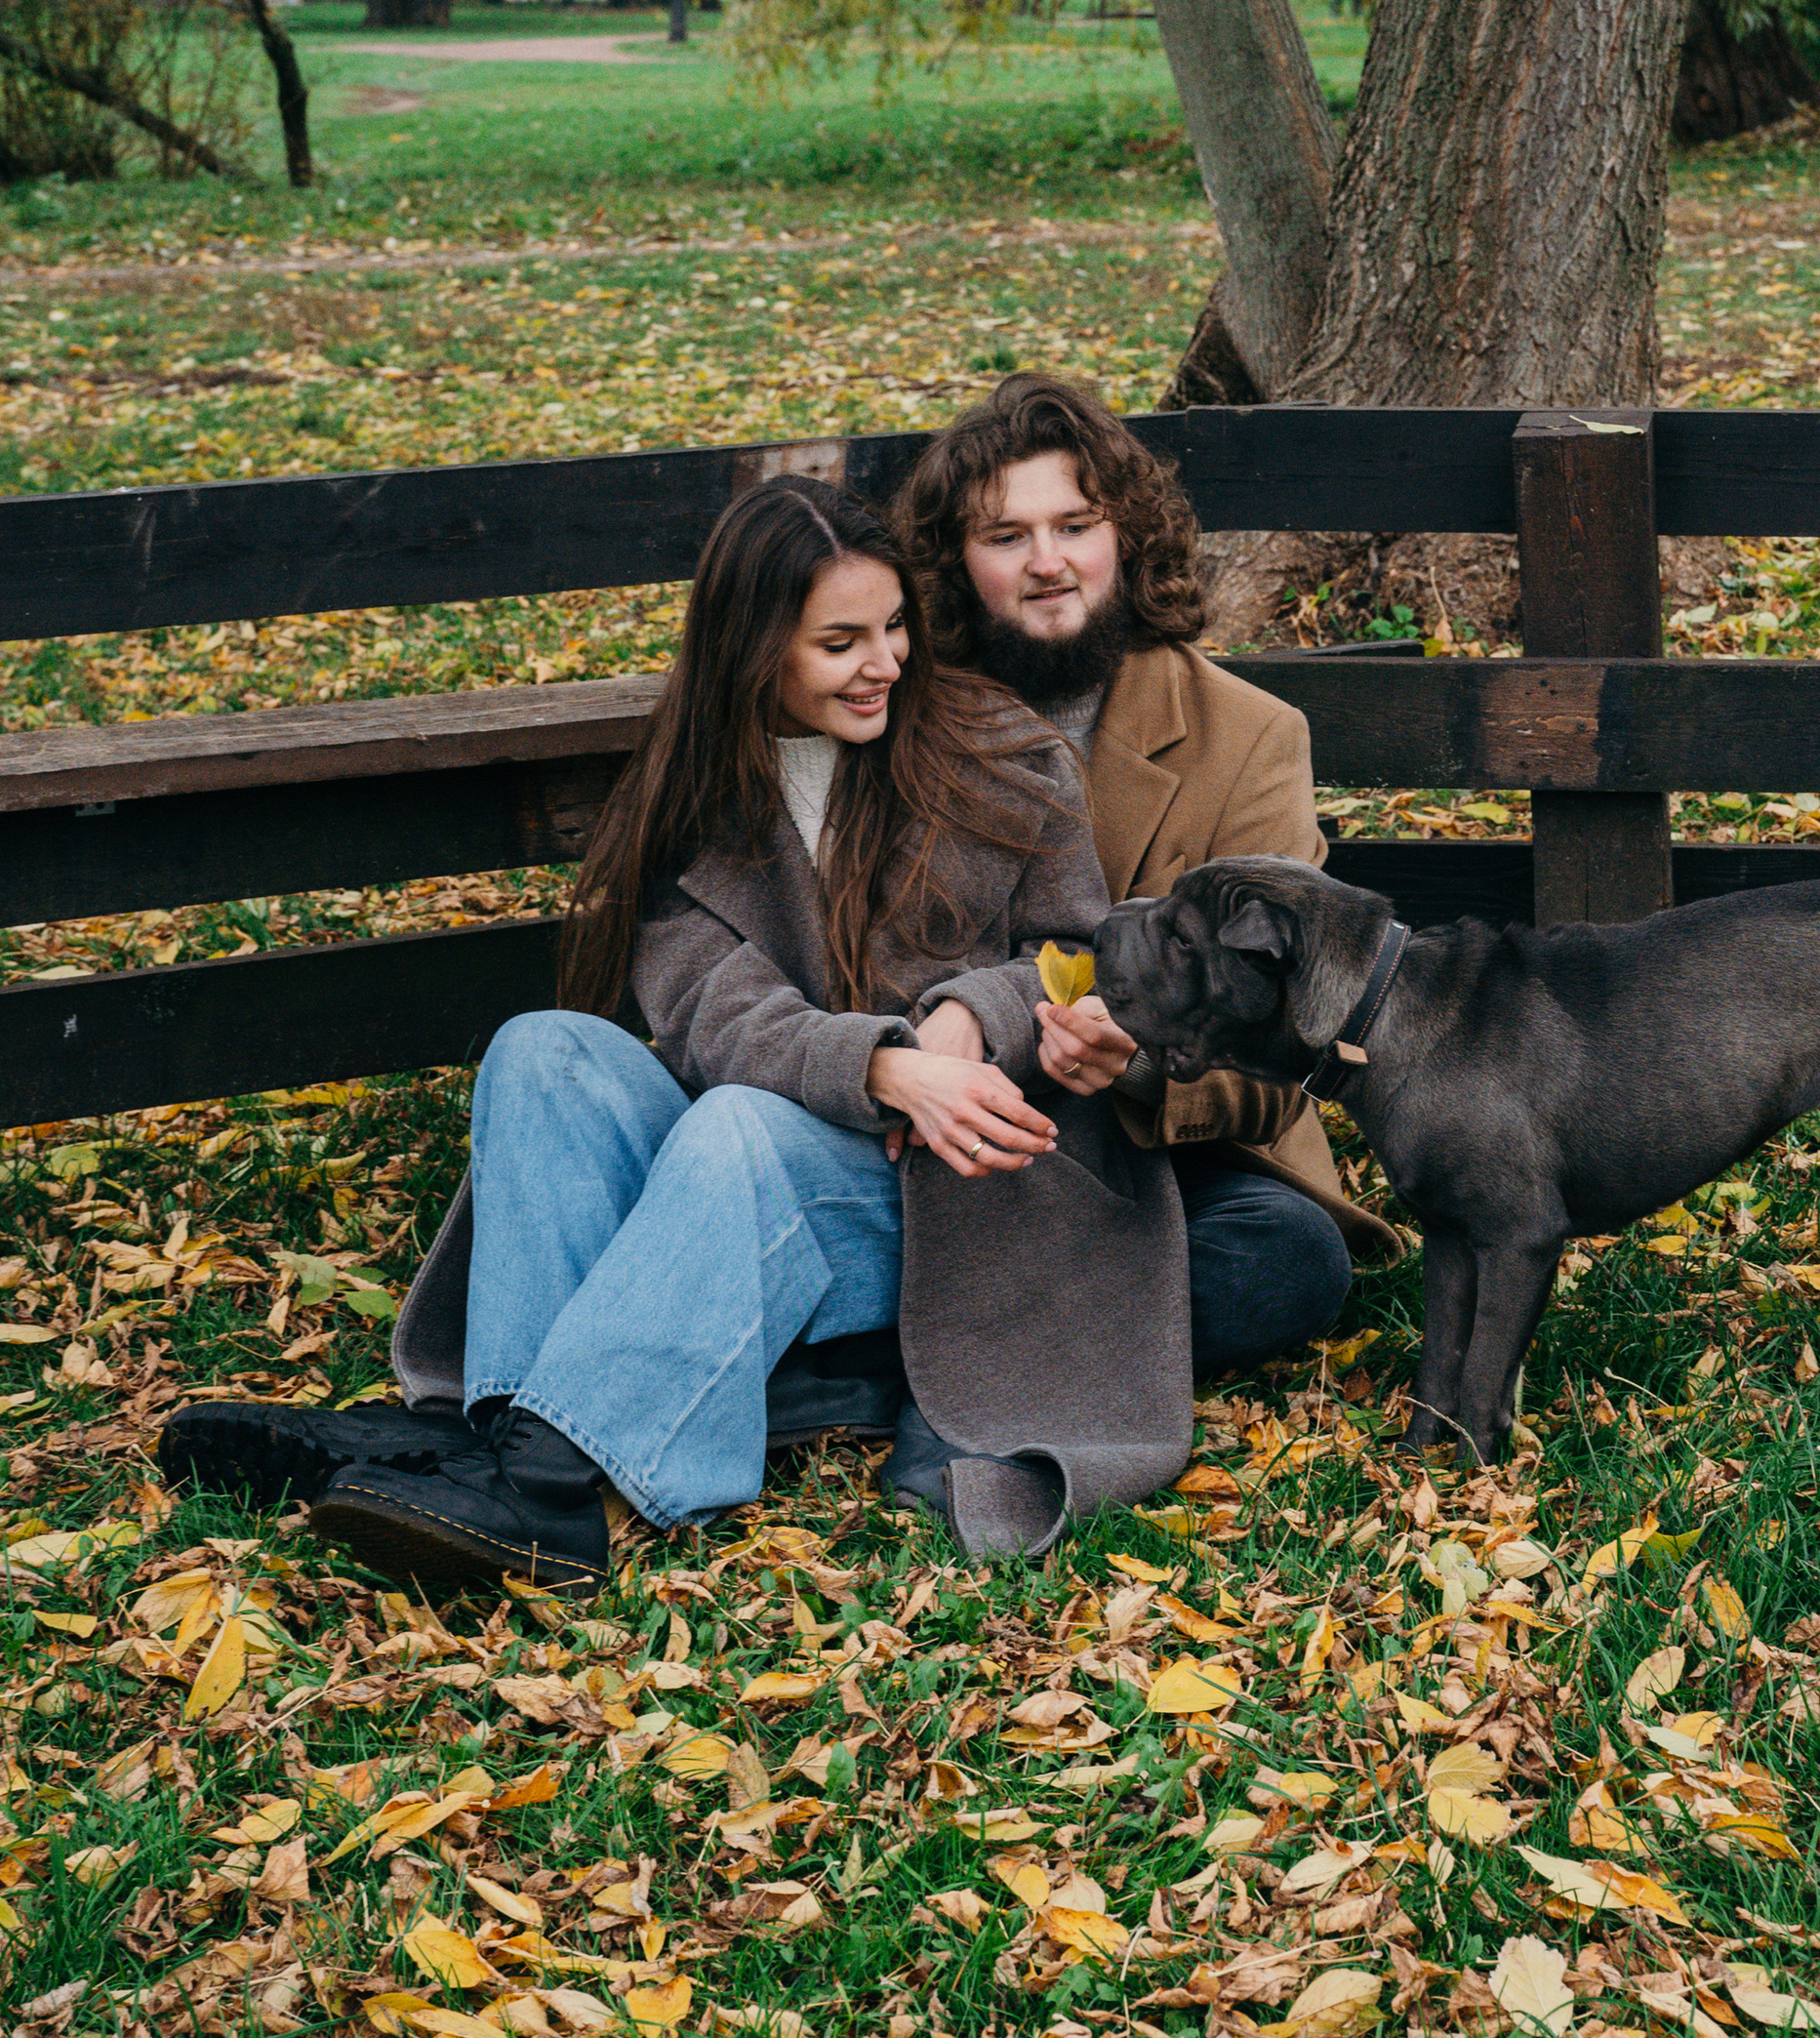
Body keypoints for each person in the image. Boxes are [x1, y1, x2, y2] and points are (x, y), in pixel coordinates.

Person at [162, 475, 1197, 1583]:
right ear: (755, 649)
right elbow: (718, 1017)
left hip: (973, 1190)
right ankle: (497, 1437)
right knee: (542, 1049)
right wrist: (886, 1067)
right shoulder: (690, 793)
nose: (885, 661)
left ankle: (551, 1492)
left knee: (741, 1127)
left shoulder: (998, 750)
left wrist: (963, 1016)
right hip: (779, 1156)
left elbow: (1078, 953)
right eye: (840, 640)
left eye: (894, 626)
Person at [890, 371, 1398, 1409]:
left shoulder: (1251, 736)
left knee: (1290, 1258)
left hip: (1167, 1155)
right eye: (1004, 537)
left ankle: (898, 1375)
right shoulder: (902, 715)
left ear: (1125, 534)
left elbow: (1288, 1057)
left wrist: (1138, 1067)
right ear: (953, 563)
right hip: (959, 1134)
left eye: (1074, 524)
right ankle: (1012, 1359)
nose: (1047, 563)